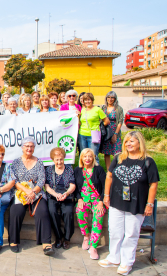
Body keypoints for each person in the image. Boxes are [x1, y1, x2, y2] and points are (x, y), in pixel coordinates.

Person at [99, 131, 159, 275]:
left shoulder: (148, 161)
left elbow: (154, 184)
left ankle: (127, 262)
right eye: (126, 141)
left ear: (140, 143)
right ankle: (114, 257)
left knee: (131, 233)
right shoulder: (119, 158)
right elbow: (109, 176)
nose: (128, 144)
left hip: (136, 203)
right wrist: (106, 195)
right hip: (116, 201)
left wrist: (149, 204)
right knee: (114, 231)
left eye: (132, 141)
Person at [9, 137, 54, 255]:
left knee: (43, 211)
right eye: (27, 146)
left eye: (31, 146)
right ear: (22, 147)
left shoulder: (39, 162)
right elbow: (14, 180)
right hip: (21, 192)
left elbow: (42, 180)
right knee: (15, 211)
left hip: (36, 193)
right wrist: (26, 191)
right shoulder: (16, 162)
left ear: (34, 148)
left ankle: (46, 243)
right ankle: (13, 240)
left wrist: (33, 192)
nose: (29, 148)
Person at [74, 148, 106, 260]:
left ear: (93, 158)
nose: (87, 159)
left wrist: (101, 201)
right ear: (81, 158)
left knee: (99, 215)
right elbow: (75, 188)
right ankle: (86, 236)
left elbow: (105, 186)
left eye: (90, 156)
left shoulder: (99, 169)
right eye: (85, 156)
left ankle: (93, 246)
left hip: (97, 200)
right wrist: (79, 199)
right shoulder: (77, 170)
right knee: (79, 212)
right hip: (83, 199)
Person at [44, 148, 76, 250]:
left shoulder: (69, 169)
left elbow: (72, 185)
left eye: (61, 159)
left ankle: (67, 238)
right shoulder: (49, 169)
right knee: (52, 211)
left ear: (64, 158)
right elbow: (47, 186)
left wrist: (66, 194)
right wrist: (55, 194)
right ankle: (58, 237)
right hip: (53, 195)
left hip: (66, 195)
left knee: (68, 213)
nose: (59, 162)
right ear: (53, 159)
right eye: (57, 159)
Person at [79, 93, 110, 160]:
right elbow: (81, 122)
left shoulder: (97, 109)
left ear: (92, 100)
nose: (87, 101)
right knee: (84, 156)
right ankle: (84, 170)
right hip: (82, 135)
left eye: (89, 100)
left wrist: (98, 127)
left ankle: (95, 170)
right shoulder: (83, 110)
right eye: (85, 100)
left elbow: (106, 121)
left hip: (93, 135)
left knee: (93, 155)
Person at [100, 91, 124, 170]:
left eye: (112, 98)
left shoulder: (118, 108)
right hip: (106, 132)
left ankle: (117, 169)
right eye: (109, 97)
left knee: (116, 152)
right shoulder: (103, 108)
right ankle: (108, 170)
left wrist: (115, 134)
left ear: (115, 99)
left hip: (114, 131)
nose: (110, 99)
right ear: (106, 98)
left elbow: (120, 122)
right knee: (106, 153)